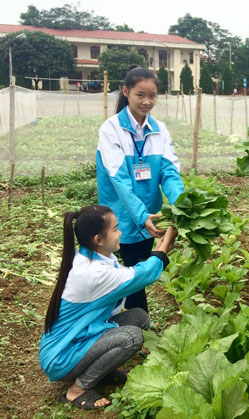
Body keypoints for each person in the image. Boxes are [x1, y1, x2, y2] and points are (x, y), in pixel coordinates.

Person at [39, 206, 176, 410]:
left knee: (138, 316)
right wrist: (164, 247)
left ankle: (104, 371)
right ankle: (76, 390)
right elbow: (141, 276)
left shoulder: (93, 258)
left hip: (80, 338)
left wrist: (158, 250)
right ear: (98, 239)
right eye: (115, 229)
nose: (120, 233)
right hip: (62, 357)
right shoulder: (92, 272)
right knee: (132, 337)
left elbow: (131, 273)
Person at [96, 66, 184, 313]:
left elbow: (169, 171)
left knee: (140, 273)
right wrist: (140, 215)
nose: (147, 102)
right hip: (122, 217)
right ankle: (139, 332)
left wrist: (182, 204)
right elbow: (119, 180)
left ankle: (136, 325)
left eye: (152, 96)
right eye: (140, 95)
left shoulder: (159, 129)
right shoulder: (111, 129)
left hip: (152, 217)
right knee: (133, 277)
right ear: (126, 92)